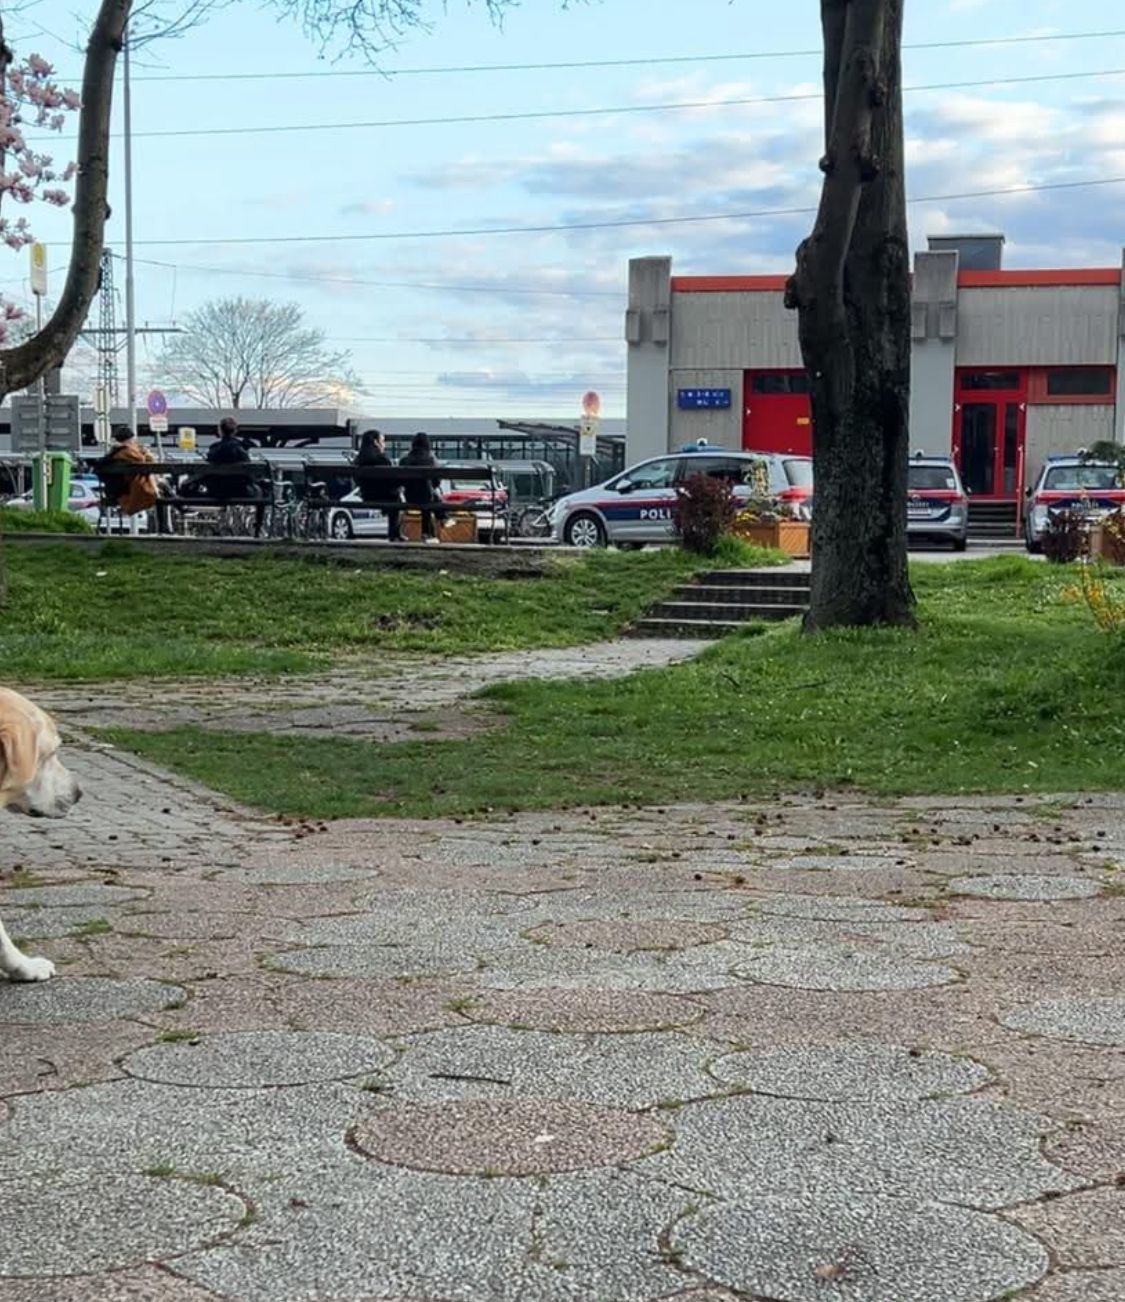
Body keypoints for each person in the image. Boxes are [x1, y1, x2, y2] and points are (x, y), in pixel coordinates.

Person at [206, 416, 265, 535]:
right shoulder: (241, 449)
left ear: (220, 431)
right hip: (240, 491)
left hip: (217, 492)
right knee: (262, 493)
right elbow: (249, 473)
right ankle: (257, 529)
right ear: (235, 431)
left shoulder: (213, 450)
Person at [98, 426, 162, 527]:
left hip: (120, 490)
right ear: (130, 439)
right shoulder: (127, 451)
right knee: (162, 487)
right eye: (133, 439)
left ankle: (168, 521)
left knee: (163, 488)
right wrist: (146, 452)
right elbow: (145, 462)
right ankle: (171, 516)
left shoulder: (114, 451)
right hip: (130, 490)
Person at [355, 429, 405, 542]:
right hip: (386, 497)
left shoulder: (359, 460)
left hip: (367, 496)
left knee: (395, 498)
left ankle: (395, 534)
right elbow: (391, 480)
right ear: (375, 442)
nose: (384, 444)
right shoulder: (382, 459)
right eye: (382, 441)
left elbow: (357, 481)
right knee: (397, 500)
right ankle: (394, 534)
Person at [399, 431, 448, 543]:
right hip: (427, 497)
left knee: (428, 496)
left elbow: (401, 481)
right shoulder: (431, 460)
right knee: (429, 496)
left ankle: (437, 524)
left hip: (409, 496)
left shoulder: (404, 460)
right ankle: (439, 521)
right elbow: (436, 483)